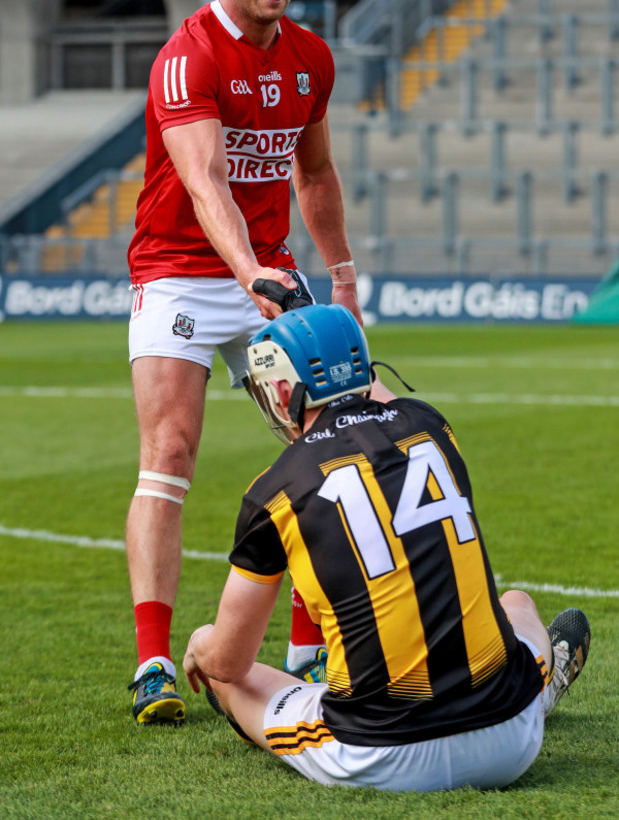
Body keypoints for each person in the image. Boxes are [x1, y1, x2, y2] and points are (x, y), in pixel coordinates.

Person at [182, 304, 591, 792]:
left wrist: (200, 649)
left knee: (223, 673)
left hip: (381, 753)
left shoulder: (275, 490)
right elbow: (382, 407)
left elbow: (229, 661)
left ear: (283, 390)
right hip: (508, 742)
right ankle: (539, 694)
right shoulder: (432, 427)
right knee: (517, 604)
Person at [126, 0, 362, 725]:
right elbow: (205, 180)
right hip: (182, 272)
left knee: (331, 439)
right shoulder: (188, 56)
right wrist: (249, 272)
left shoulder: (309, 57)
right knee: (172, 450)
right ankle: (155, 661)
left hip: (270, 271)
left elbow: (317, 176)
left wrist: (339, 274)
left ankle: (307, 646)